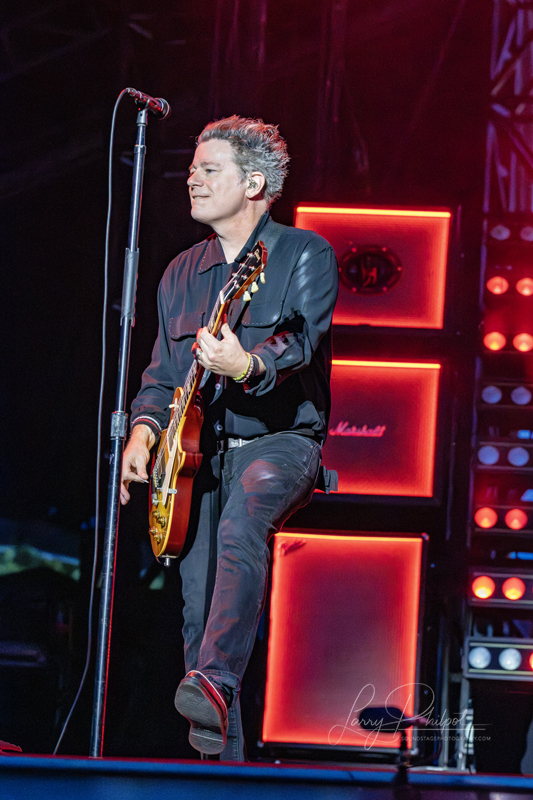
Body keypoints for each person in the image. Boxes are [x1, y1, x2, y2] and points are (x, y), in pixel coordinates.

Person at [120, 115, 338, 761]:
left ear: (253, 183)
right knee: (197, 607)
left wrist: (247, 365)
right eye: (192, 168)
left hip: (281, 443)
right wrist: (143, 432)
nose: (192, 178)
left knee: (244, 527)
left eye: (209, 169)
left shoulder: (305, 253)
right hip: (196, 456)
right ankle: (220, 762)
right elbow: (162, 373)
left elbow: (298, 340)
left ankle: (215, 679)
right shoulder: (180, 272)